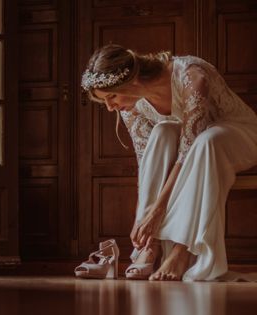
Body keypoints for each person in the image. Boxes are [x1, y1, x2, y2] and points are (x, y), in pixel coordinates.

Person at [80, 44, 257, 281]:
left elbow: (187, 152)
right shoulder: (129, 107)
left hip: (239, 135)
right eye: (105, 102)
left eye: (111, 96)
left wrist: (157, 211)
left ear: (132, 80)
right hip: (197, 148)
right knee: (163, 132)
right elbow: (147, 161)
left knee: (206, 141)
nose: (111, 107)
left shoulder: (192, 77)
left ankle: (182, 250)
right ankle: (149, 246)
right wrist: (143, 219)